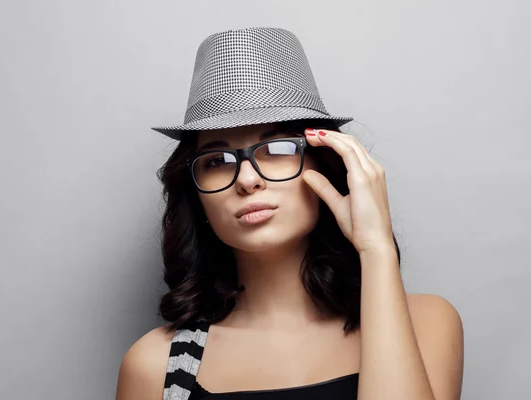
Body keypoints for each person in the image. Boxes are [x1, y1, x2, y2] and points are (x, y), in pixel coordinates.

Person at [116, 27, 464, 400]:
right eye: (216, 160)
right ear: (196, 193)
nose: (247, 180)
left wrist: (376, 249)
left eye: (277, 148)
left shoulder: (426, 323)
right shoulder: (156, 366)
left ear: (325, 163)